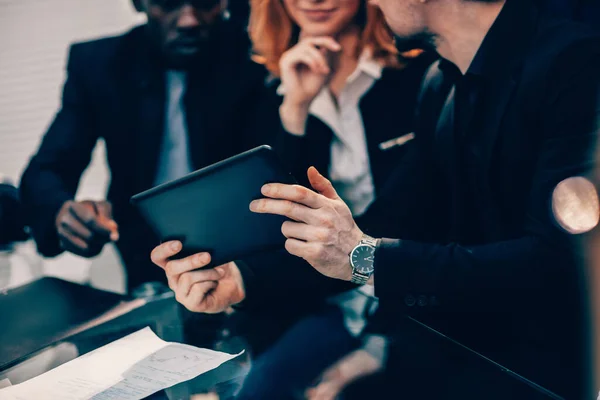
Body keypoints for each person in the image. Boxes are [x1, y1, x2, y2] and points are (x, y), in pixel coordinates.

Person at [150, 0, 600, 397]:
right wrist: (241, 281)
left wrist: (364, 259)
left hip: (548, 368)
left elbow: (562, 267)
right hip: (461, 344)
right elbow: (388, 224)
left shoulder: (578, 64)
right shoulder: (440, 85)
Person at [235, 0, 433, 397]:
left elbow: (419, 210)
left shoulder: (419, 72)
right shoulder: (265, 85)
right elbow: (279, 220)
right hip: (331, 298)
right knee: (260, 387)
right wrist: (295, 111)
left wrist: (380, 343)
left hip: (416, 287)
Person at [20, 0, 271, 292]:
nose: (188, 20)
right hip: (142, 257)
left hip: (250, 253)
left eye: (205, 3)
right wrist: (62, 213)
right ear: (139, 3)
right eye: (168, 4)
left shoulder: (260, 55)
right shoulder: (101, 64)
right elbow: (48, 168)